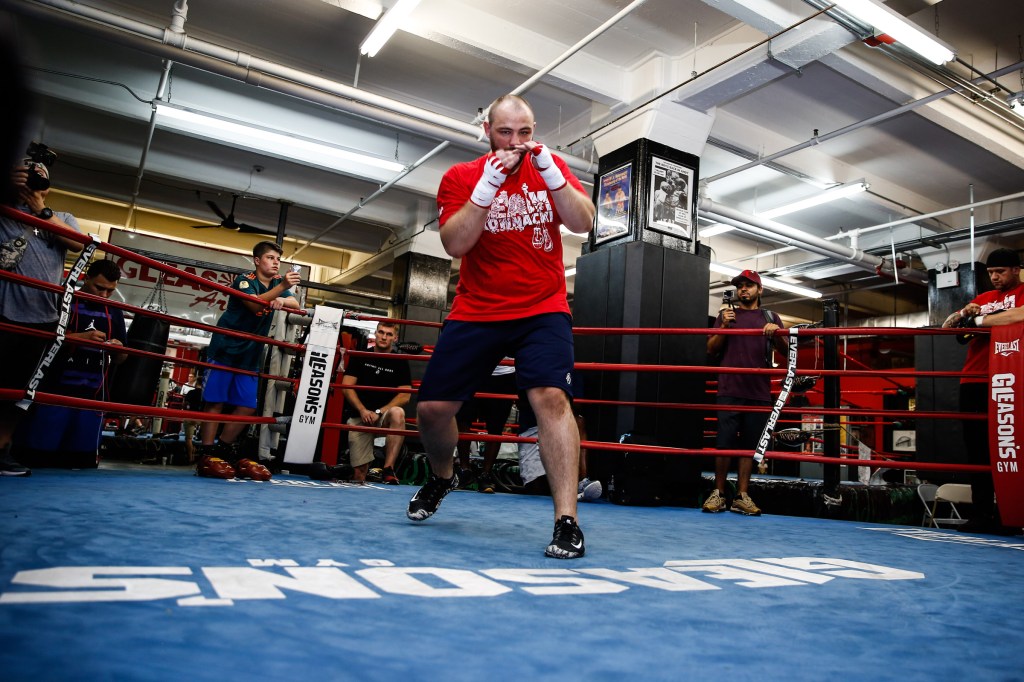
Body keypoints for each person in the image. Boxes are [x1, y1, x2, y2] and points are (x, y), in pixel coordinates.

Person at [407, 94, 595, 559]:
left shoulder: (546, 166)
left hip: (542, 306)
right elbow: (455, 243)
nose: (515, 142)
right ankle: (443, 476)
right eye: (505, 132)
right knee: (432, 409)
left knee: (550, 398)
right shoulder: (461, 177)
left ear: (534, 132)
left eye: (524, 132)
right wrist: (485, 190)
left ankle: (567, 520)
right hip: (478, 308)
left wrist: (553, 176)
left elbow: (583, 222)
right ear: (487, 129)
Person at [1, 152, 84, 476]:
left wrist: (39, 208)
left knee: (22, 393)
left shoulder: (59, 216)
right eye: (27, 177)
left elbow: (76, 243)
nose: (33, 184)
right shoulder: (5, 215)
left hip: (42, 318)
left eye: (40, 179)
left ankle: (2, 449)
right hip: (4, 312)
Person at [197, 241, 300, 481]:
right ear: (257, 260)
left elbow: (295, 303)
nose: (276, 262)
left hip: (251, 353)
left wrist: (283, 299)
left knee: (246, 405)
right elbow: (254, 304)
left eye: (278, 259)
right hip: (226, 348)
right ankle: (205, 454)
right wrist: (283, 287)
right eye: (270, 258)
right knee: (215, 401)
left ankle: (222, 450)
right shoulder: (244, 280)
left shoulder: (275, 284)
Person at [941, 247, 1024, 534]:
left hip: (1010, 379)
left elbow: (1018, 317)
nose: (995, 277)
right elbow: (948, 325)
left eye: (1000, 272)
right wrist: (964, 311)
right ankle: (980, 513)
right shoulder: (983, 299)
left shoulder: (1023, 293)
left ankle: (1009, 513)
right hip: (974, 380)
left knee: (1009, 447)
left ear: (1016, 269)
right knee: (976, 450)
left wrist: (977, 321)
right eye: (990, 273)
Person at [14, 259, 126, 468]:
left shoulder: (115, 311)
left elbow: (122, 358)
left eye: (110, 291)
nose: (104, 295)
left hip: (92, 395)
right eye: (99, 288)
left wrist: (118, 350)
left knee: (81, 463)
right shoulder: (62, 299)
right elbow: (40, 338)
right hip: (54, 390)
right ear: (86, 277)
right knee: (37, 458)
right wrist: (79, 338)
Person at [704, 269, 787, 516]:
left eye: (749, 285)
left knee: (749, 446)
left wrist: (776, 333)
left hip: (758, 391)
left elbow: (784, 351)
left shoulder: (770, 317)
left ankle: (742, 495)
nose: (743, 289)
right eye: (740, 285)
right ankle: (718, 494)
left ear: (759, 290)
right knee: (724, 444)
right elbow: (711, 349)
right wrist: (725, 326)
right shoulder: (725, 315)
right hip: (730, 387)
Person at [340, 321, 411, 484]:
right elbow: (346, 387)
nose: (384, 337)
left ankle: (388, 469)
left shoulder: (400, 360)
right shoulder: (361, 356)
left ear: (395, 338)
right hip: (361, 417)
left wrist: (379, 412)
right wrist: (363, 410)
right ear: (376, 333)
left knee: (398, 413)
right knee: (359, 475)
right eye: (381, 332)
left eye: (389, 334)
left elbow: (405, 396)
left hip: (383, 417)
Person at [455, 361, 516, 493]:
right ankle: (464, 470)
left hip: (503, 374)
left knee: (496, 426)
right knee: (463, 419)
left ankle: (486, 474)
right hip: (472, 369)